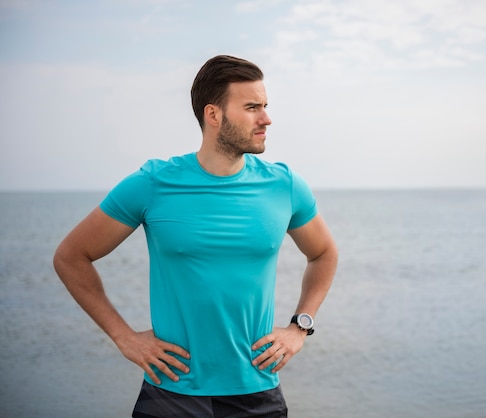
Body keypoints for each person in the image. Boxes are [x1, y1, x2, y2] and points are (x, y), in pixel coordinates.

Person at [53, 55, 338, 418]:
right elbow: (71, 255)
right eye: (252, 107)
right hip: (170, 393)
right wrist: (124, 338)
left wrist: (300, 326)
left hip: (258, 392)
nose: (266, 118)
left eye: (265, 106)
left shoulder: (284, 186)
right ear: (213, 115)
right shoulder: (154, 183)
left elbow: (324, 253)